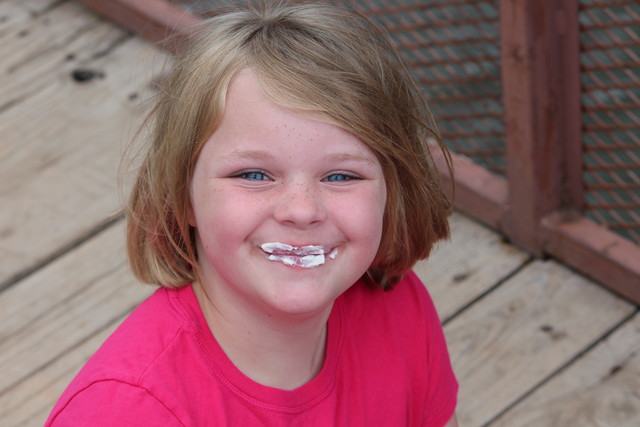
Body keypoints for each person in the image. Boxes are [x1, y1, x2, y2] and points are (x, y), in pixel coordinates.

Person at [46, 2, 458, 425]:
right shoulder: (127, 412)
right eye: (254, 174)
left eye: (340, 176)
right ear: (181, 193)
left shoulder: (400, 310)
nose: (301, 210)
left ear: (394, 192)